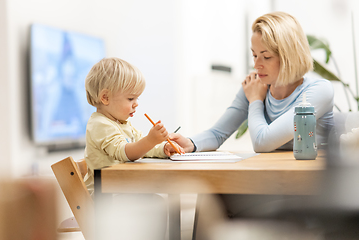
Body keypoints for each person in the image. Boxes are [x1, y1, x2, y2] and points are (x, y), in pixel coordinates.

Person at [170, 11, 335, 239]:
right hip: (268, 181)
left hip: (307, 190)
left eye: (265, 57)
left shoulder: (318, 91)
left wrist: (256, 100)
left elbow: (263, 142)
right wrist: (189, 143)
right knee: (213, 193)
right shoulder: (256, 85)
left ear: (288, 56)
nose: (257, 65)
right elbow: (219, 133)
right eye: (254, 55)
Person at [83, 57, 184, 240]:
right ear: (105, 97)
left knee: (156, 203)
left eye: (137, 98)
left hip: (119, 190)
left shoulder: (122, 123)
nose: (136, 103)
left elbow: (140, 145)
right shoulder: (99, 124)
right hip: (106, 198)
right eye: (131, 98)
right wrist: (151, 139)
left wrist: (162, 148)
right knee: (155, 205)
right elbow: (125, 152)